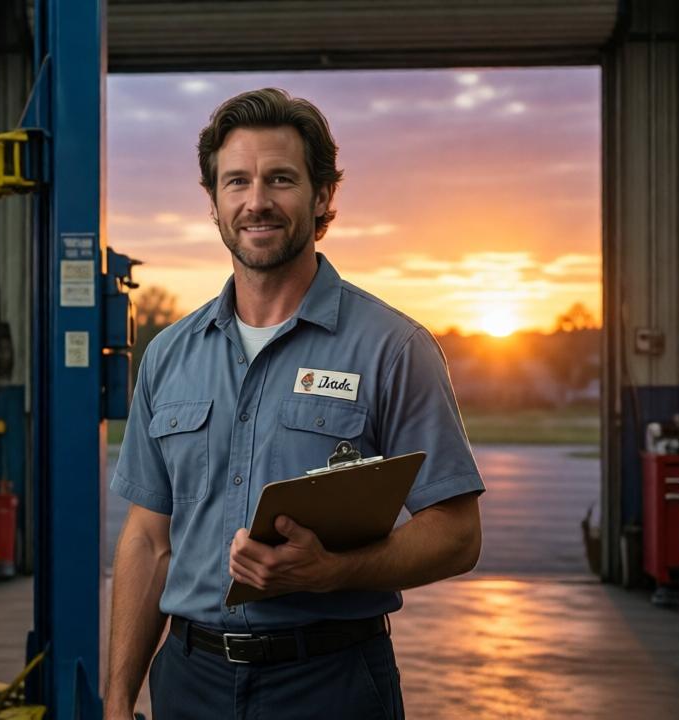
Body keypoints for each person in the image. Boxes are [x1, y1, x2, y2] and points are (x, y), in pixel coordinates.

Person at [104, 88, 485, 719]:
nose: (257, 201)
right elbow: (148, 539)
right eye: (236, 182)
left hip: (329, 683)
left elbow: (457, 535)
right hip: (188, 682)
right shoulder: (169, 354)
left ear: (323, 195)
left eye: (280, 179)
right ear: (214, 202)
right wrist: (118, 698)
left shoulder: (394, 348)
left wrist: (329, 572)